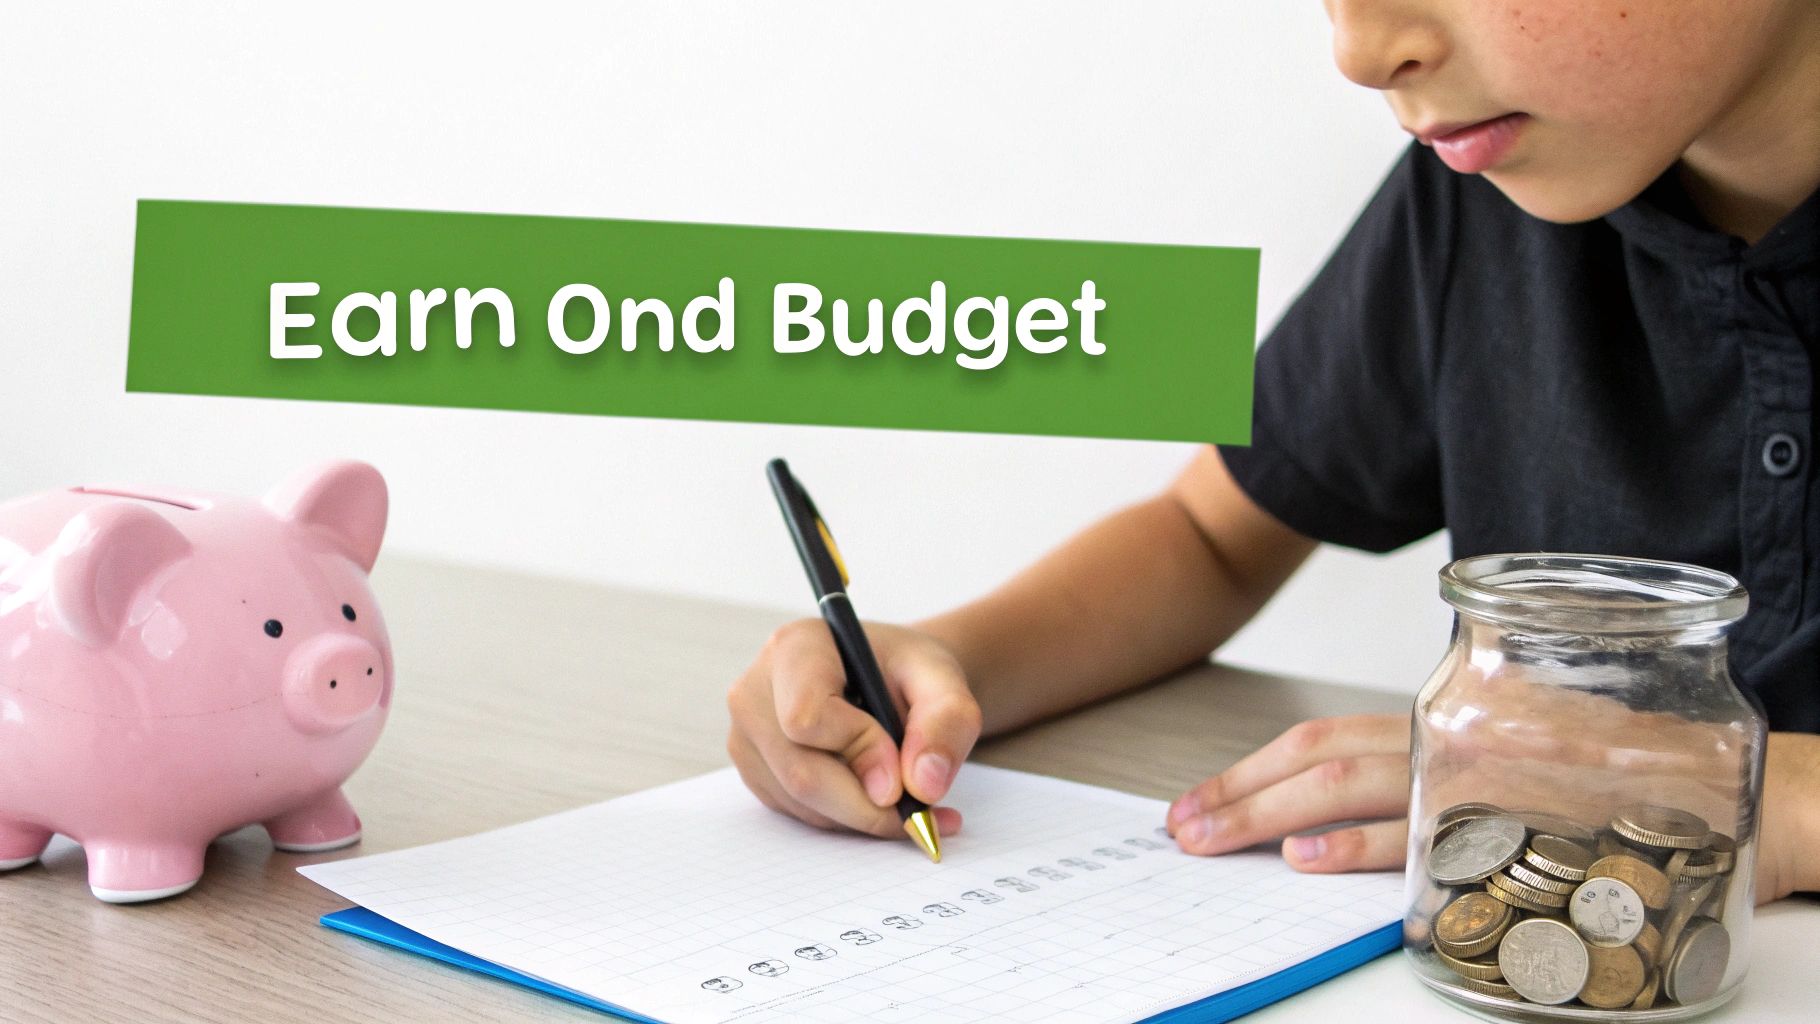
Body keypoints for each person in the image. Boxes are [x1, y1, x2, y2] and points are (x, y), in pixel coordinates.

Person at [725, 0, 1820, 904]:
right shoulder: (1485, 201)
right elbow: (1209, 534)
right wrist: (938, 669)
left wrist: (1752, 797)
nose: (1356, 47)